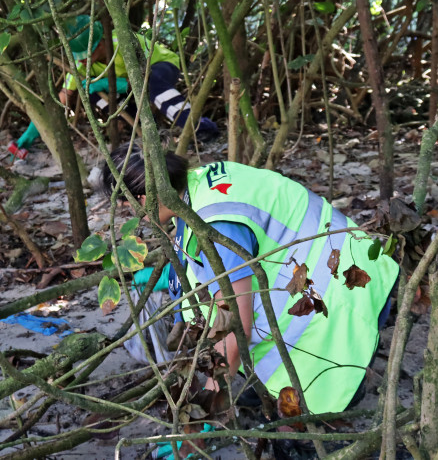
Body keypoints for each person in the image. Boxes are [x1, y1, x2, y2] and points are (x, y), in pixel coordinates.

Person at [102, 145, 399, 414]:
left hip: (344, 299)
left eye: (126, 204)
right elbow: (214, 261)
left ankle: (343, 396)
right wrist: (168, 276)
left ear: (142, 197)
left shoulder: (216, 227)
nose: (129, 213)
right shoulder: (201, 182)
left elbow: (236, 331)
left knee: (275, 403)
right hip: (358, 265)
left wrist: (200, 418)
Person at [60, 18, 219, 141]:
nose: (82, 61)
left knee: (150, 82)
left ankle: (200, 128)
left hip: (160, 66)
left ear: (101, 42)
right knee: (92, 91)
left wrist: (109, 84)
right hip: (131, 86)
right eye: (78, 56)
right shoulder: (79, 65)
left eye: (86, 55)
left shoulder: (123, 43)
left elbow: (138, 79)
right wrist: (36, 134)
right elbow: (63, 98)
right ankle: (148, 132)